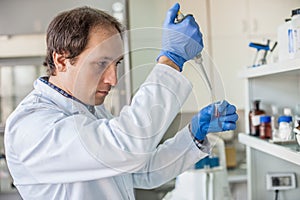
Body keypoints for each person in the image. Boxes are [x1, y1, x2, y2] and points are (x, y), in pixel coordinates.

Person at [4, 3, 238, 200]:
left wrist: (193, 135)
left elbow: (142, 169)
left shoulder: (91, 111)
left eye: (116, 64)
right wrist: (171, 60)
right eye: (100, 63)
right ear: (62, 60)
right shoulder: (32, 126)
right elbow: (127, 148)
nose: (113, 79)